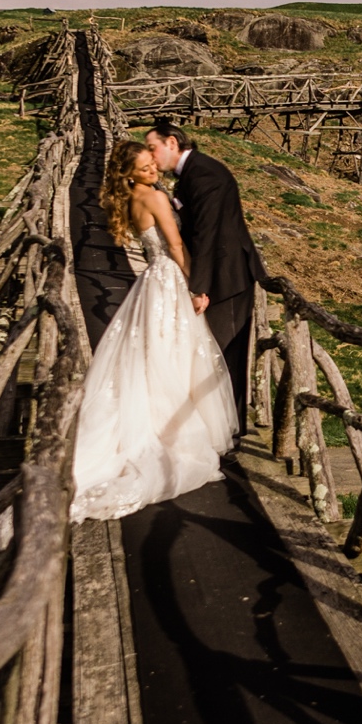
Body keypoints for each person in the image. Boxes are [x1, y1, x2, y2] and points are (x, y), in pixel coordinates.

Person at [68, 141, 239, 521]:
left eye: (152, 164)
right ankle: (166, 430)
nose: (153, 171)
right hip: (170, 278)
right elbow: (175, 246)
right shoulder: (156, 198)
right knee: (172, 352)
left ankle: (152, 420)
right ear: (130, 173)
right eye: (144, 168)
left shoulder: (131, 198)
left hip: (151, 280)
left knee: (152, 352)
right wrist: (196, 287)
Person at [144, 119, 260, 431]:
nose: (150, 156)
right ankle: (218, 426)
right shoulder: (191, 172)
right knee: (211, 354)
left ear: (171, 142)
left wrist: (198, 287)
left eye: (152, 148)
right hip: (216, 273)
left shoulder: (204, 173)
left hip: (227, 277)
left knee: (226, 355)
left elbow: (208, 234)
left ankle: (233, 431)